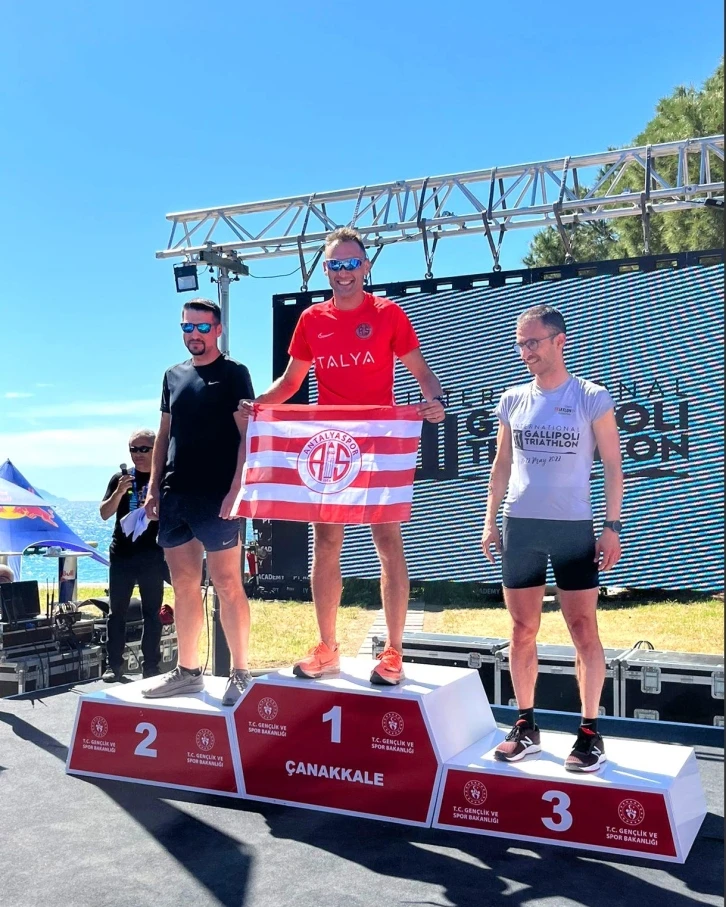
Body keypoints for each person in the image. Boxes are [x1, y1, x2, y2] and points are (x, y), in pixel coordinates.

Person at [241, 226, 446, 686]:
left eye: (352, 263)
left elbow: (422, 372)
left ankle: (394, 652)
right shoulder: (311, 319)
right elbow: (291, 383)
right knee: (326, 542)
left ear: (366, 267)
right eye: (336, 265)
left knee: (388, 542)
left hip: (377, 443)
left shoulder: (388, 314)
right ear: (326, 270)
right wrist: (258, 406)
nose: (344, 272)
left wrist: (435, 401)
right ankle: (327, 647)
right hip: (331, 443)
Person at [482, 304, 623, 773]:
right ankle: (525, 726)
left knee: (583, 629)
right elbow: (502, 464)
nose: (527, 352)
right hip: (521, 525)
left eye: (534, 342)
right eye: (521, 344)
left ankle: (590, 733)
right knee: (522, 629)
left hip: (572, 528)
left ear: (559, 341)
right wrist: (489, 520)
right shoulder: (513, 399)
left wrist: (612, 527)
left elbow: (613, 465)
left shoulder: (591, 396)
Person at [142, 298, 255, 706]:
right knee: (184, 586)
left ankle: (241, 673)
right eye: (187, 327)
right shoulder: (172, 376)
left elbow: (248, 436)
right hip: (176, 495)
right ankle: (188, 672)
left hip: (219, 496)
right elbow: (163, 434)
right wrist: (153, 487)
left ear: (218, 330)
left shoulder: (235, 374)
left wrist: (237, 488)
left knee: (227, 584)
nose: (194, 334)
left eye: (203, 327)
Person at [99, 430, 166, 682]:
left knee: (152, 613)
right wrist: (118, 493)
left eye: (144, 449)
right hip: (122, 555)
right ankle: (114, 666)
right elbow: (104, 513)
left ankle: (151, 666)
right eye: (133, 449)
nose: (138, 454)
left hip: (152, 555)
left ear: (156, 449)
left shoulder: (163, 477)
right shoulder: (120, 478)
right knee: (117, 612)